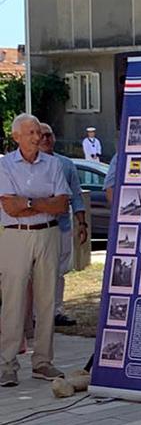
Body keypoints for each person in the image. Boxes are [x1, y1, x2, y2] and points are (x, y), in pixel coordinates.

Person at [0, 114, 71, 387]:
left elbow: (61, 204)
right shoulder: (5, 165)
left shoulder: (53, 164)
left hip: (48, 233)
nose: (37, 137)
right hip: (16, 237)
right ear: (16, 136)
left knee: (46, 300)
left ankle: (42, 361)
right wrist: (43, 202)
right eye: (30, 132)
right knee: (13, 300)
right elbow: (9, 206)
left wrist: (28, 202)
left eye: (39, 132)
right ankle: (7, 364)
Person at [38, 123, 88, 327]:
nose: (45, 139)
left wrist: (82, 223)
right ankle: (35, 314)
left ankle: (56, 311)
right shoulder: (29, 165)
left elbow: (76, 195)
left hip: (62, 227)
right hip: (37, 229)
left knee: (59, 271)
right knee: (37, 273)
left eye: (49, 135)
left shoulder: (66, 164)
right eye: (41, 135)